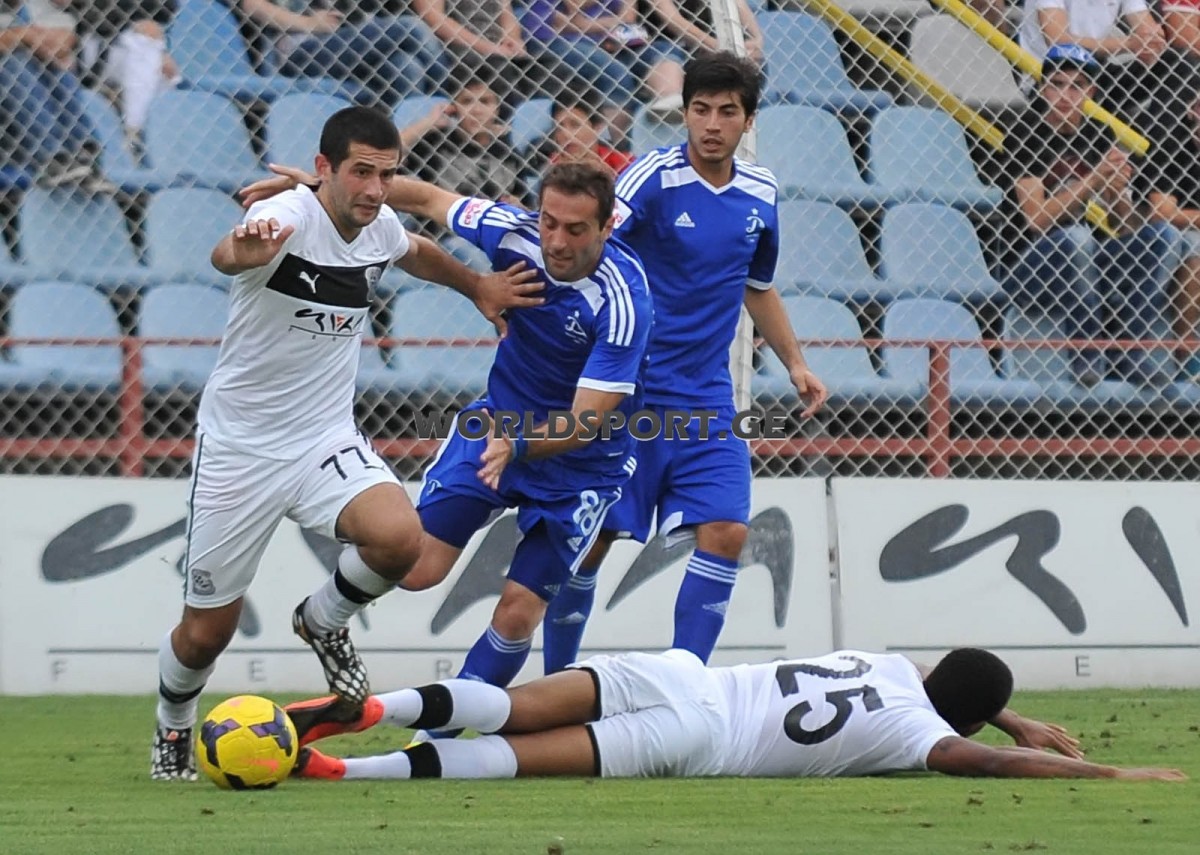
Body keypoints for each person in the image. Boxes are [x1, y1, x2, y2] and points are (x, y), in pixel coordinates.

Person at [150, 106, 543, 781]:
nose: (375, 188)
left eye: (387, 175)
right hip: (241, 450)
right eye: (361, 172)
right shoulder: (287, 217)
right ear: (324, 169)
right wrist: (242, 251)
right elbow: (229, 251)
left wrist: (476, 284)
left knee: (399, 538)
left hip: (322, 438)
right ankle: (174, 723)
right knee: (205, 633)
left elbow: (415, 250)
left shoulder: (378, 223)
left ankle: (323, 618)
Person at [241, 158, 653, 735]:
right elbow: (427, 199)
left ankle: (433, 741)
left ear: (607, 227)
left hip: (581, 467)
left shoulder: (624, 301)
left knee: (517, 614)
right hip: (494, 428)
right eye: (549, 222)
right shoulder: (510, 232)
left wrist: (520, 445)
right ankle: (321, 615)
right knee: (416, 568)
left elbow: (587, 421)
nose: (557, 241)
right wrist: (323, 189)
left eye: (576, 229)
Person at [541, 51, 827, 674]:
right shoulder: (650, 179)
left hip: (706, 399)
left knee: (726, 530)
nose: (712, 124)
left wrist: (796, 363)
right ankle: (554, 687)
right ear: (686, 114)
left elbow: (757, 285)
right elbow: (590, 253)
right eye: (701, 110)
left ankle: (685, 684)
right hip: (629, 395)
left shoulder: (761, 192)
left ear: (748, 120)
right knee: (591, 541)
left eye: (727, 111)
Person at [281, 646, 1187, 782]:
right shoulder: (923, 736)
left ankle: (373, 705)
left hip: (685, 675)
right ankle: (343, 771)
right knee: (518, 756)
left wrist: (1012, 713)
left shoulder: (885, 661)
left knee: (510, 704)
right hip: (701, 739)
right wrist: (1111, 769)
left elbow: (954, 677)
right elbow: (987, 759)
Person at [1003, 44, 1179, 387]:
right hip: (1028, 263)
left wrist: (1118, 190)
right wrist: (1094, 180)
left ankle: (1131, 351)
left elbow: (1122, 226)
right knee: (1078, 236)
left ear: (1090, 92)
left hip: (1084, 261)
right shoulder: (1025, 131)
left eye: (1076, 86)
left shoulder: (1099, 132)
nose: (1065, 96)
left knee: (1164, 237)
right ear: (1043, 88)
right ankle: (1085, 352)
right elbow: (1036, 220)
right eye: (1056, 84)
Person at [237, 0, 448, 108]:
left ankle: (404, 157)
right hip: (299, 50)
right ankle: (450, 101)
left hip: (351, 45)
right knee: (410, 27)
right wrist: (309, 23)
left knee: (406, 66)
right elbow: (252, 5)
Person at [0, 0, 111, 190]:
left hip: (19, 110)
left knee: (53, 65)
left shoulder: (36, 7)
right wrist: (23, 35)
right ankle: (53, 157)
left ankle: (82, 151)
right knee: (13, 64)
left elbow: (62, 42)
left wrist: (40, 42)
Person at [1018, 0, 1167, 115]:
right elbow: (1058, 41)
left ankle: (1153, 140)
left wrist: (1151, 41)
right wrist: (1129, 44)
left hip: (1096, 71)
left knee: (1172, 60)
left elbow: (1146, 27)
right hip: (1051, 74)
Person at [1144, 79, 1200, 381]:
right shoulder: (1171, 141)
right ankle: (1188, 354)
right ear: (1194, 110)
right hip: (1169, 238)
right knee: (1194, 243)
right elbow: (1161, 212)